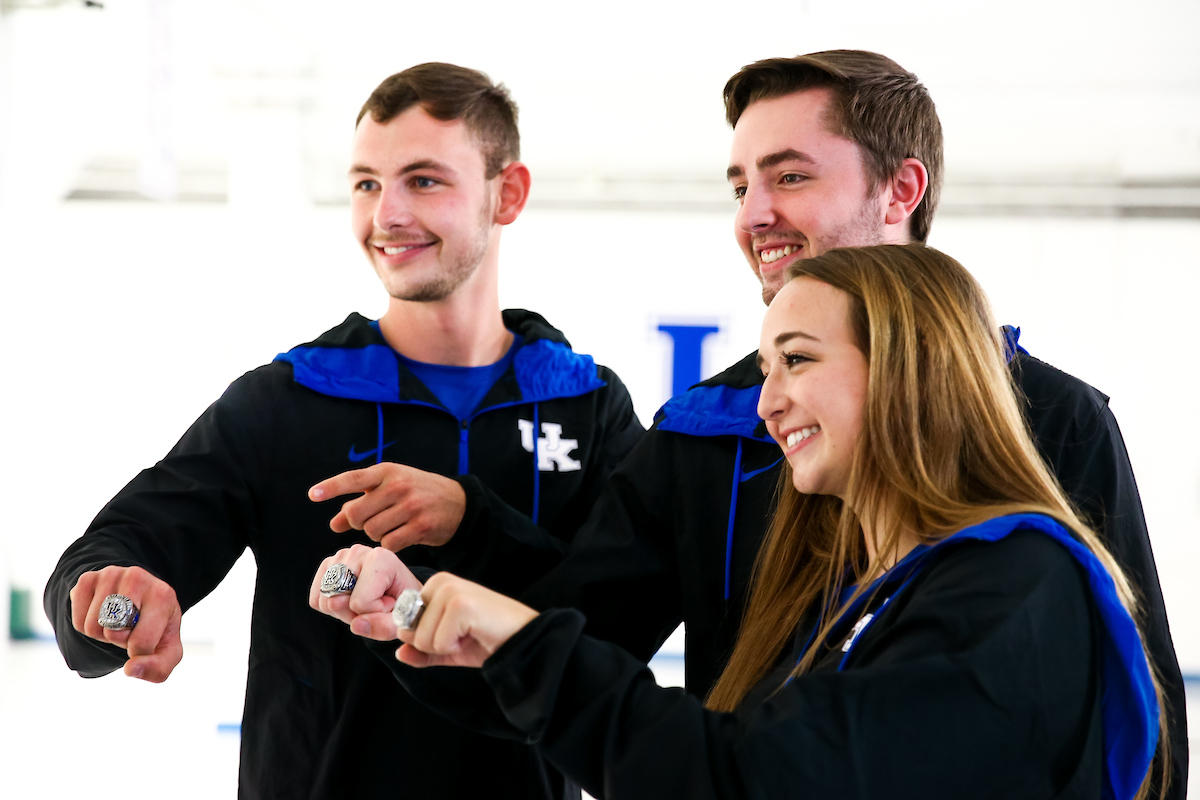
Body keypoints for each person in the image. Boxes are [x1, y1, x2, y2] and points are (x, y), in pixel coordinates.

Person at [338, 50, 1186, 797]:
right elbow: (576, 635)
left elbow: (1135, 725)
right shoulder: (709, 425)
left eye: (789, 176)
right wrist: (420, 600)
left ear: (902, 188)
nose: (752, 215)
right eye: (740, 185)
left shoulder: (1052, 438)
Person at [43, 63, 643, 799]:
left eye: (424, 180)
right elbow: (118, 551)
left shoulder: (589, 406)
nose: (385, 214)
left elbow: (616, 622)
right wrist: (103, 597)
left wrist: (471, 519)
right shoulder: (286, 401)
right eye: (366, 183)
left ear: (506, 193)